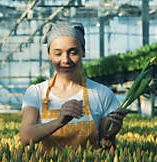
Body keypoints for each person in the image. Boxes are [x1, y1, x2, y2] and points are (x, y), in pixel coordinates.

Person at [20, 22, 127, 150]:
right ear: (49, 55)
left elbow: (108, 146)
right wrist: (59, 121)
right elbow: (25, 136)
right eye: (58, 54)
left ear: (83, 52)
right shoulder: (36, 93)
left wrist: (109, 134)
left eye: (73, 52)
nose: (65, 60)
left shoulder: (102, 94)